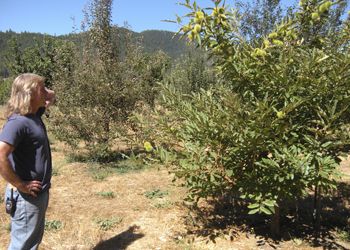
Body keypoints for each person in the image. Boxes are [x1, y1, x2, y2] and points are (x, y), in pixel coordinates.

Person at [0, 73, 55, 250]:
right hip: (26, 197)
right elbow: (1, 155)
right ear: (29, 93)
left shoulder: (34, 114)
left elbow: (51, 95)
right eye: (42, 88)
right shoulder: (18, 122)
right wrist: (21, 185)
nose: (47, 91)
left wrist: (44, 91)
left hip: (37, 194)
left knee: (31, 243)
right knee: (22, 245)